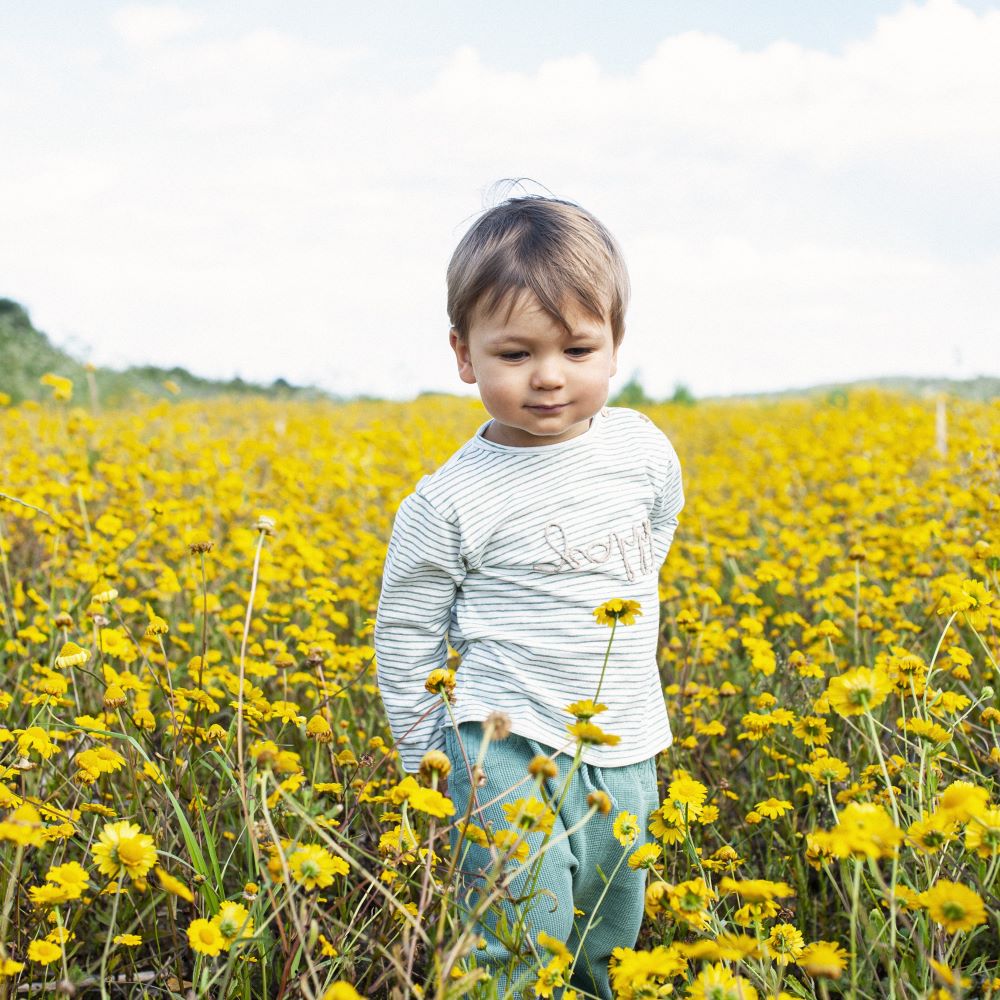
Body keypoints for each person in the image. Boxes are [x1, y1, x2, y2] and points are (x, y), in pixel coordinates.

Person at [374, 193, 684, 997]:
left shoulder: (644, 451)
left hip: (627, 740)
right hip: (500, 747)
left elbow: (656, 532)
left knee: (608, 935)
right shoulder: (447, 501)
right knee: (517, 938)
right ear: (464, 354)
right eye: (515, 355)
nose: (550, 377)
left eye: (579, 349)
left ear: (616, 346)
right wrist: (428, 759)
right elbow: (405, 636)